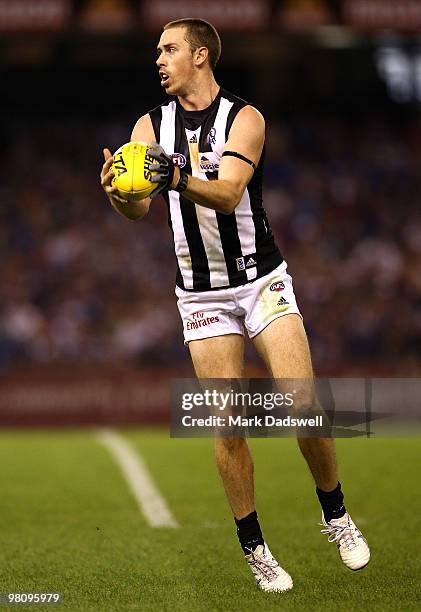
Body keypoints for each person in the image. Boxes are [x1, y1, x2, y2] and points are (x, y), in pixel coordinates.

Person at [100, 17, 370, 593]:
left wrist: (171, 173)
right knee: (227, 428)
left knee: (304, 405)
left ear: (201, 55)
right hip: (200, 294)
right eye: (157, 50)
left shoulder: (245, 119)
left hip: (259, 279)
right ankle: (256, 549)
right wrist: (121, 194)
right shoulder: (148, 126)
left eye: (169, 49)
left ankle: (336, 514)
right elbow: (140, 212)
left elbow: (227, 194)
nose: (159, 59)